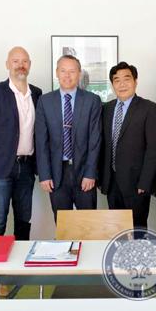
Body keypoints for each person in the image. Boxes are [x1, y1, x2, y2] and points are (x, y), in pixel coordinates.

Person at [0, 47, 42, 240]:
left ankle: (21, 259)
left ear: (30, 65)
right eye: (15, 61)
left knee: (24, 219)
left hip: (27, 166)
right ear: (7, 64)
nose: (20, 65)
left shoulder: (37, 93)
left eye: (24, 61)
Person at [35, 55, 102, 220]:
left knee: (88, 223)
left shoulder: (92, 100)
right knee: (63, 223)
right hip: (57, 172)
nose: (67, 75)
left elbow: (95, 140)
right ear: (57, 73)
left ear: (79, 73)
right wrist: (45, 174)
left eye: (72, 71)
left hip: (84, 170)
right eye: (63, 71)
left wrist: (90, 173)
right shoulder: (44, 101)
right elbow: (41, 141)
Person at [99, 62, 156, 228]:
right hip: (111, 182)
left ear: (135, 81)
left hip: (136, 183)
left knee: (137, 229)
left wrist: (145, 182)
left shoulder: (149, 108)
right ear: (112, 84)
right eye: (117, 80)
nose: (122, 84)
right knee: (116, 229)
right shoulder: (107, 109)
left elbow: (154, 149)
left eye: (126, 79)